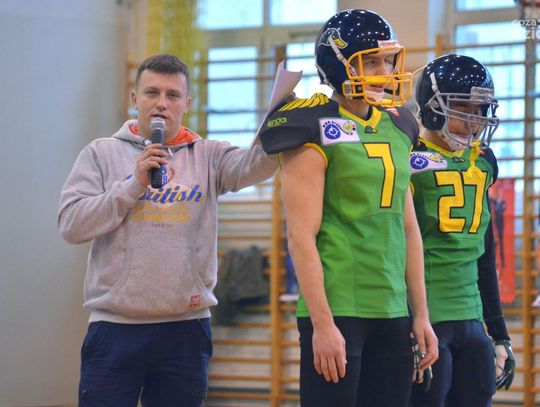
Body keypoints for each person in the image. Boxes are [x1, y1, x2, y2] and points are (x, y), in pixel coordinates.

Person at [57, 54, 277, 407]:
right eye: (152, 93)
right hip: (115, 327)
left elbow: (256, 165)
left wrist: (281, 126)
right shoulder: (100, 154)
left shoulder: (209, 156)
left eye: (173, 95)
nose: (162, 103)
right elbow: (71, 226)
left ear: (186, 104)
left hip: (185, 329)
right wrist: (132, 185)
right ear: (135, 98)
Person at [259, 9, 438, 406]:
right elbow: (300, 238)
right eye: (371, 62)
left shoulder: (400, 125)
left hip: (392, 308)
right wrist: (322, 324)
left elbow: (408, 228)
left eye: (387, 60)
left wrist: (421, 313)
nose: (384, 71)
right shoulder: (312, 125)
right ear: (339, 65)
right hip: (339, 307)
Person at [409, 54, 515, 406]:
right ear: (433, 108)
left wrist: (499, 333)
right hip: (426, 319)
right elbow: (394, 250)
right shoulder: (407, 157)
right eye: (462, 109)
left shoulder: (482, 161)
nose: (473, 121)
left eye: (479, 110)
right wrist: (404, 323)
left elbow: (485, 255)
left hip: (472, 320)